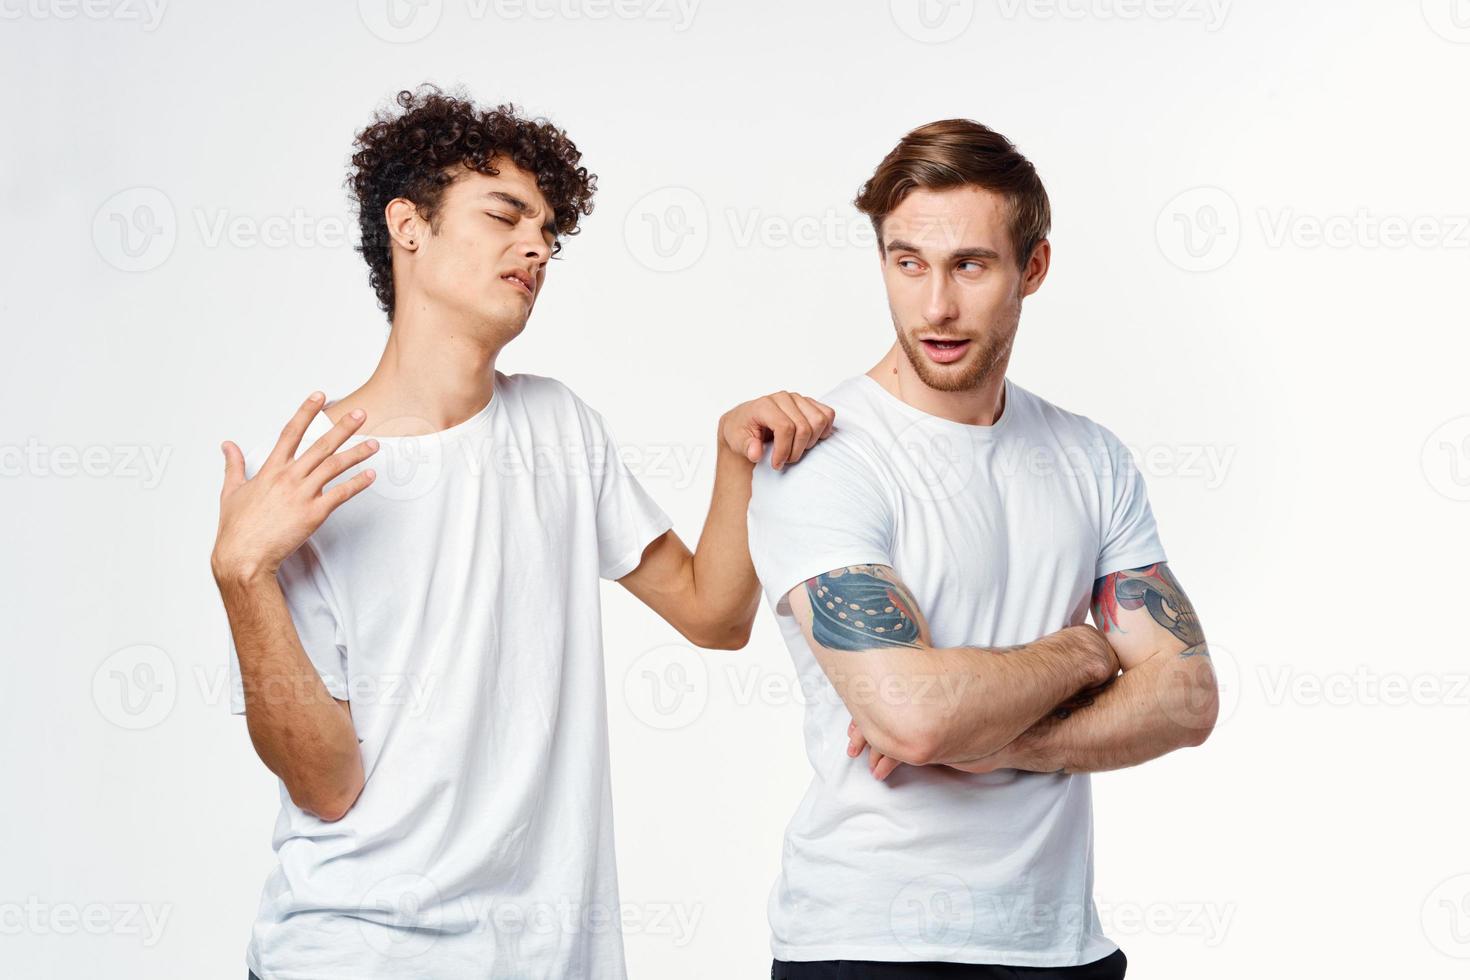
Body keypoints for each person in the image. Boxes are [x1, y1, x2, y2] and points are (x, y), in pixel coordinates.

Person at [209, 85, 836, 980]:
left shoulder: (559, 429)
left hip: (550, 958)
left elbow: (715, 615)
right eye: (505, 216)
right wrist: (243, 576)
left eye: (548, 231)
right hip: (358, 952)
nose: (537, 247)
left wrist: (734, 461)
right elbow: (326, 785)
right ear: (408, 226)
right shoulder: (313, 475)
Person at [746, 119, 1220, 979]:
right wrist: (1085, 651)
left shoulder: (1090, 456)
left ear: (1031, 268)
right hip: (869, 946)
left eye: (970, 264)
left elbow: (1185, 699)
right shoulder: (820, 460)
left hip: (1062, 946)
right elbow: (913, 719)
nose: (935, 306)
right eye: (907, 263)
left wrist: (1004, 741)